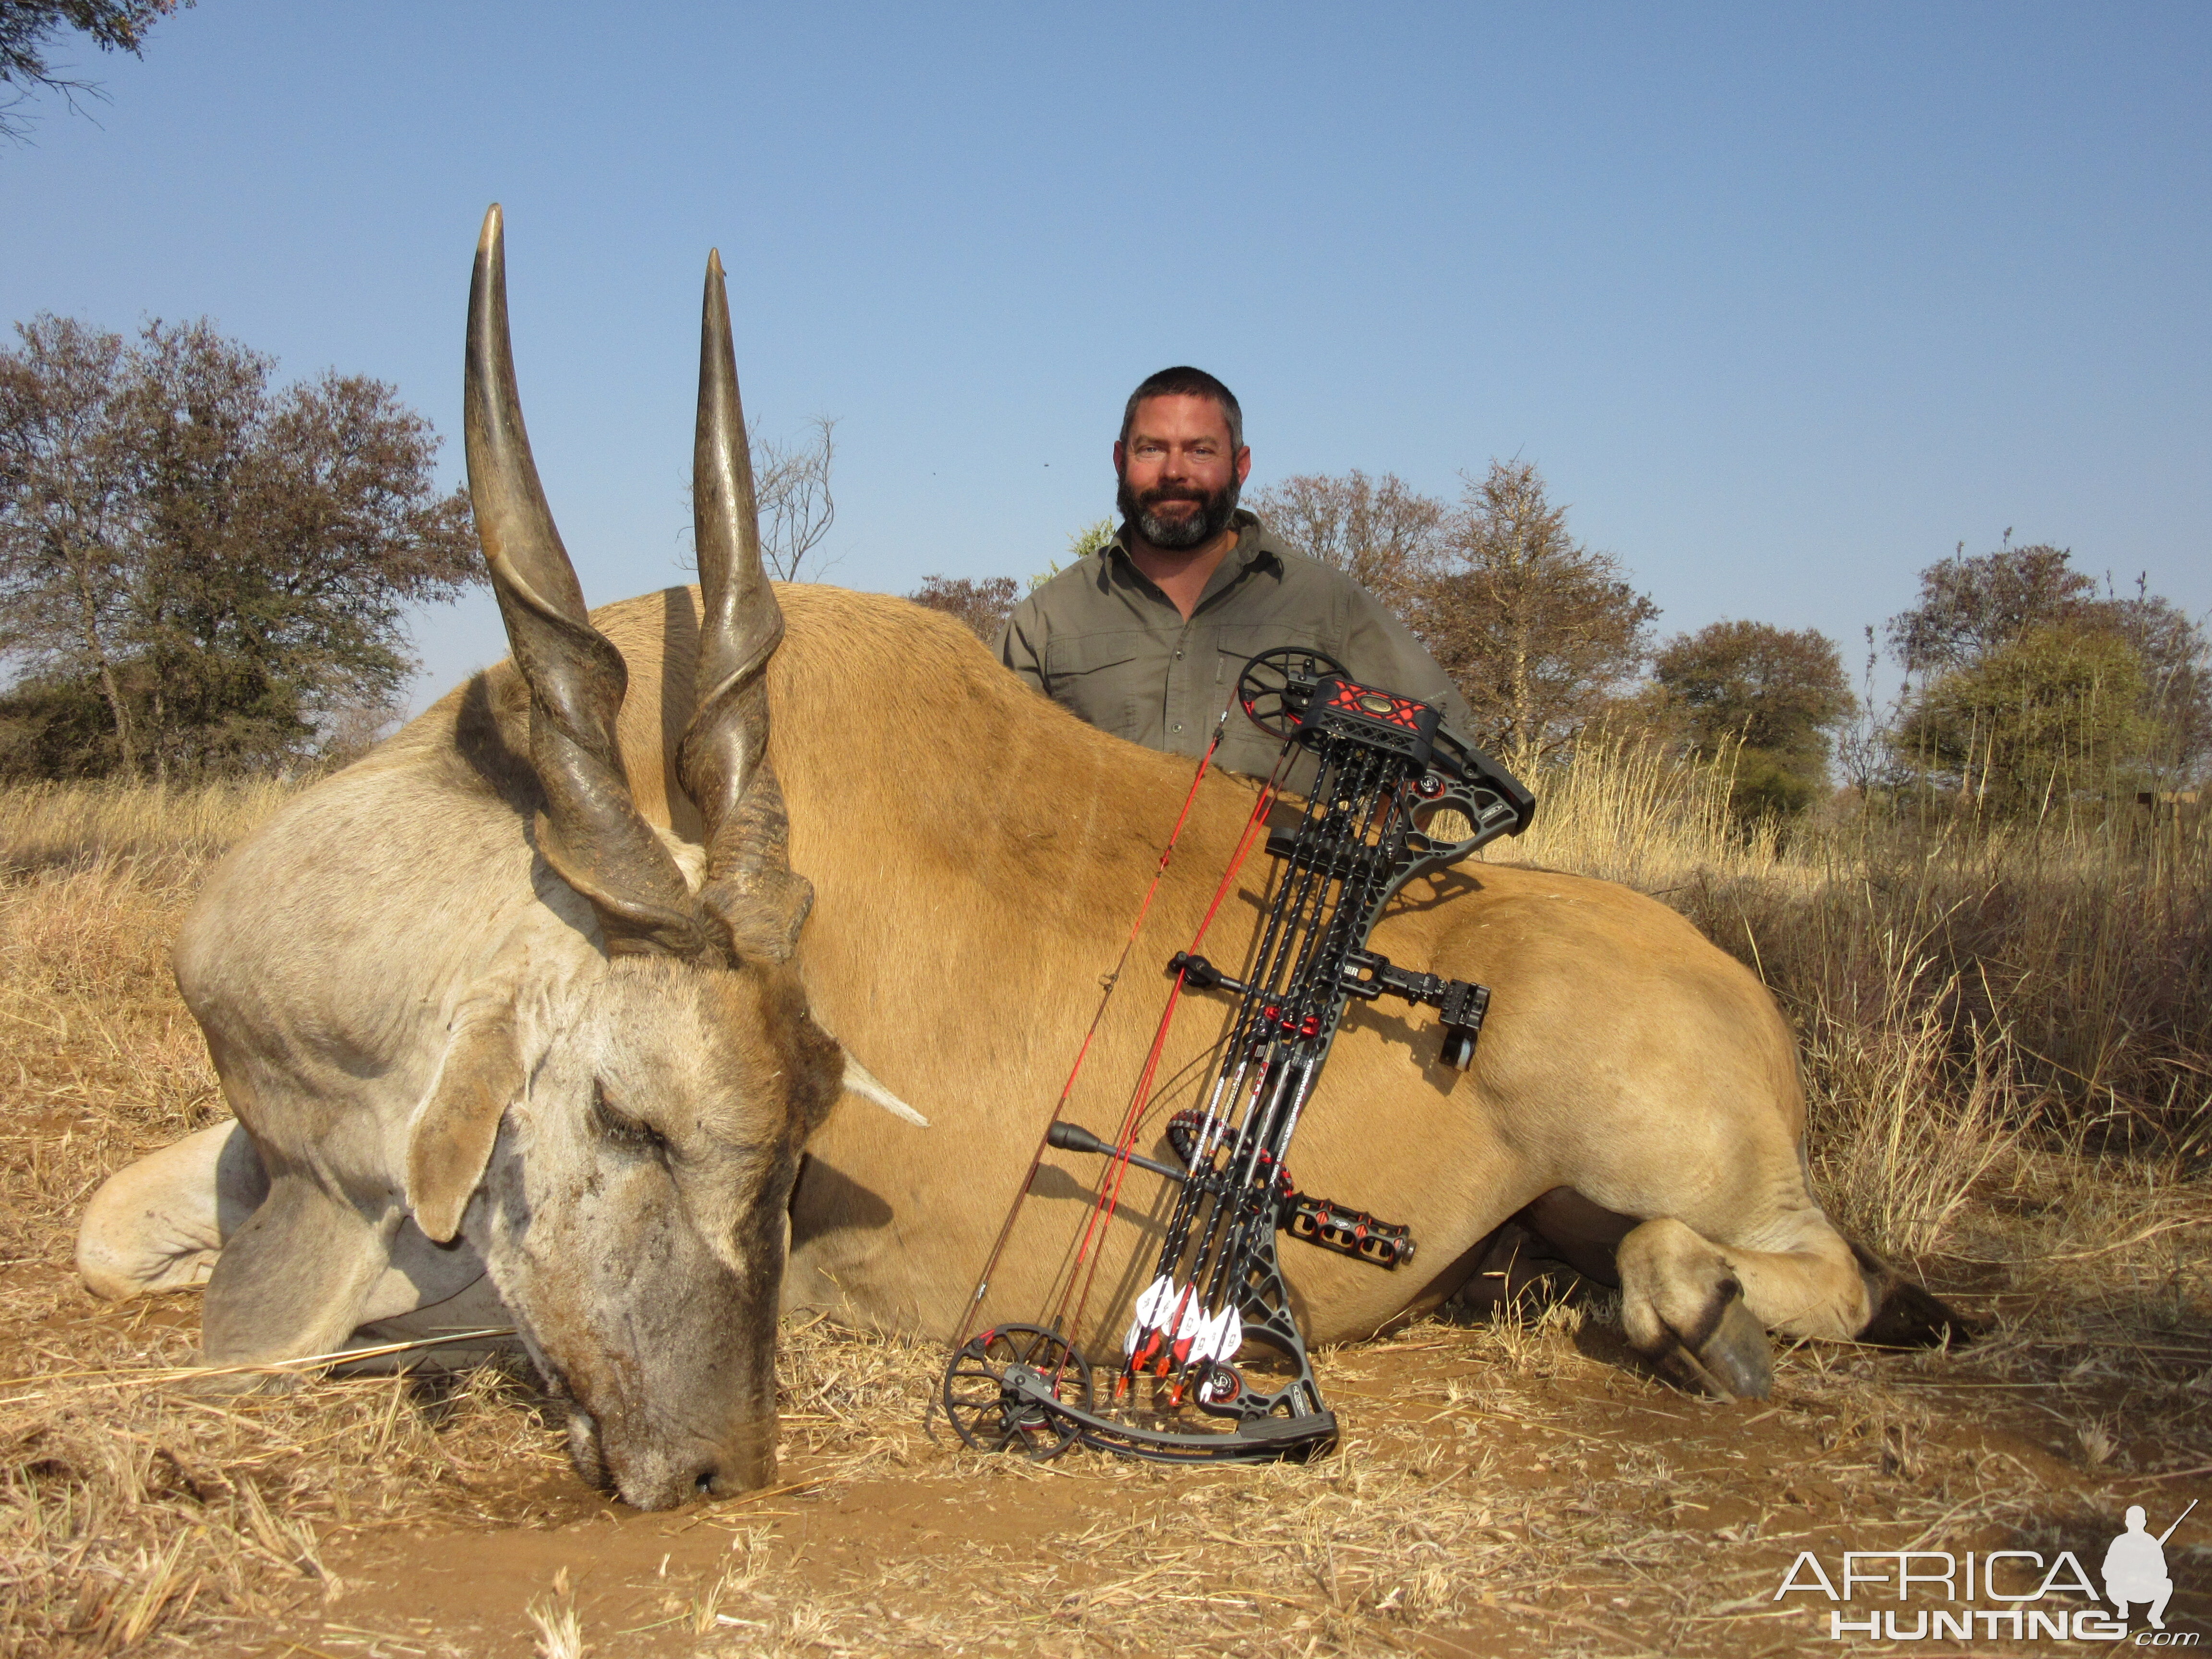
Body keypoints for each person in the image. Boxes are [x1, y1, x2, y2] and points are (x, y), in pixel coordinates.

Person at [997, 366, 1471, 781]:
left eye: (1201, 452)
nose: (1174, 471)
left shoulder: (1327, 604)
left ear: (1240, 466)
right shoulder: (1047, 621)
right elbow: (988, 768)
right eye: (1152, 450)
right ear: (1121, 461)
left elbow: (1451, 750)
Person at [2103, 1505, 2174, 1629]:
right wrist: (2123, 1576)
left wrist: (2148, 1576)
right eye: (2132, 1520)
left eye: (2139, 1520)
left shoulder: (2152, 1542)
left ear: (2145, 1523)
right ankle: (2123, 1607)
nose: (2136, 1524)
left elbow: (2163, 1571)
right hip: (2123, 1589)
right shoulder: (2119, 1542)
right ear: (2127, 1523)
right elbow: (2107, 1571)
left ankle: (2155, 1615)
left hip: (2145, 1589)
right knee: (2110, 1584)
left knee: (2167, 1584)